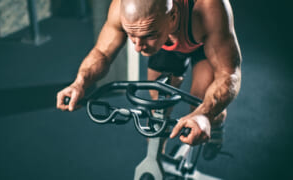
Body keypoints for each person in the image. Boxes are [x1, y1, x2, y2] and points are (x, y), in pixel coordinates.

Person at [56, 0, 241, 159]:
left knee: (200, 103)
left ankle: (217, 125)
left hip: (204, 40)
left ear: (173, 16)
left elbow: (228, 74)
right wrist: (79, 82)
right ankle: (158, 161)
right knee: (158, 108)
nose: (137, 48)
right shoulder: (123, 7)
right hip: (165, 42)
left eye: (148, 35)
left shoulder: (209, 8)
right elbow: (102, 53)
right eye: (132, 36)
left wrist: (205, 114)